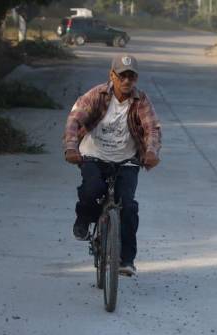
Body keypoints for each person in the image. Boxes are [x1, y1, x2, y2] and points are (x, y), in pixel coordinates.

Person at [63, 54, 161, 277]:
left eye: (132, 77)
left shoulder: (141, 101)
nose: (127, 81)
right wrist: (71, 147)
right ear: (112, 76)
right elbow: (74, 119)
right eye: (122, 76)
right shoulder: (96, 95)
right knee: (93, 189)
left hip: (127, 160)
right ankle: (84, 217)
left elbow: (152, 129)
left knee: (128, 205)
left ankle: (126, 259)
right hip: (94, 156)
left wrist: (152, 151)